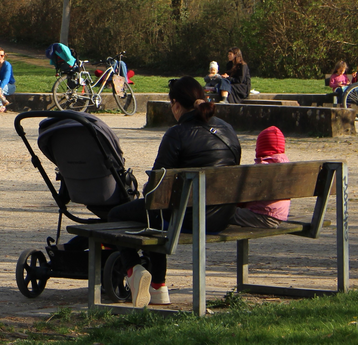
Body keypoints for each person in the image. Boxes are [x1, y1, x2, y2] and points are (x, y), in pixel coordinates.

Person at [107, 76, 241, 308]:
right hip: (223, 216)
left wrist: (145, 194)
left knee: (123, 214)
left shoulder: (177, 134)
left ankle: (136, 271)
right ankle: (157, 288)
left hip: (191, 218)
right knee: (161, 213)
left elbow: (156, 190)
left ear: (176, 104)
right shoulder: (227, 128)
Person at [232, 126, 290, 228]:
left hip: (260, 215)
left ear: (261, 147)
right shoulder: (287, 166)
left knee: (221, 214)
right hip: (279, 215)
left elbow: (243, 196)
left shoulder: (261, 169)